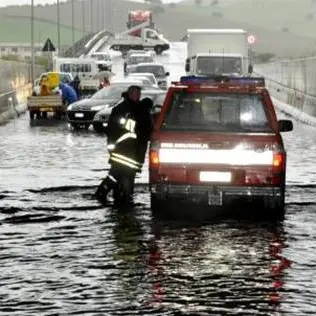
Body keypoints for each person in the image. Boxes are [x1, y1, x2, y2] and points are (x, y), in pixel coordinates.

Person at [95, 85, 145, 206]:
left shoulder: (134, 109)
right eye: (136, 94)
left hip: (128, 152)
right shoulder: (123, 109)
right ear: (130, 94)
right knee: (121, 175)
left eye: (139, 94)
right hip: (124, 152)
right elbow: (113, 130)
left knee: (119, 175)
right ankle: (120, 199)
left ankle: (115, 197)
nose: (138, 96)